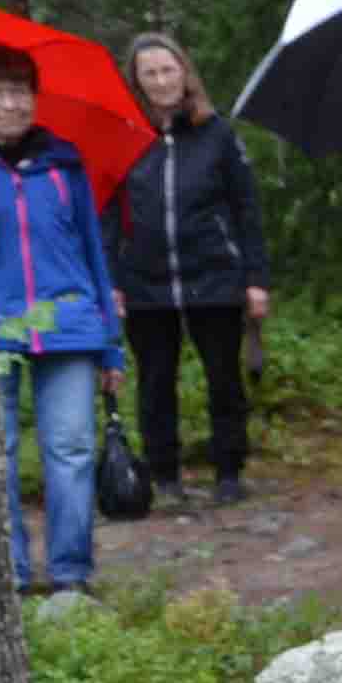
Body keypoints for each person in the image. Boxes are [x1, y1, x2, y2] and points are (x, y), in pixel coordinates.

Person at [0, 44, 124, 594]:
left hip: (70, 326)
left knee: (71, 450)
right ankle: (8, 575)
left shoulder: (64, 163)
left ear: (35, 100)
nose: (7, 104)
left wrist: (112, 345)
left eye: (18, 92)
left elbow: (93, 250)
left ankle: (70, 576)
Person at [109, 31, 269, 508]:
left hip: (214, 275)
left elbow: (247, 209)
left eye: (168, 70)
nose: (161, 81)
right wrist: (111, 280)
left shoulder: (217, 134)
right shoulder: (123, 136)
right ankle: (165, 474)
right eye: (150, 74)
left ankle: (228, 470)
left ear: (185, 73)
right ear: (136, 82)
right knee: (155, 380)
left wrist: (256, 278)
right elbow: (108, 211)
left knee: (224, 376)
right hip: (144, 281)